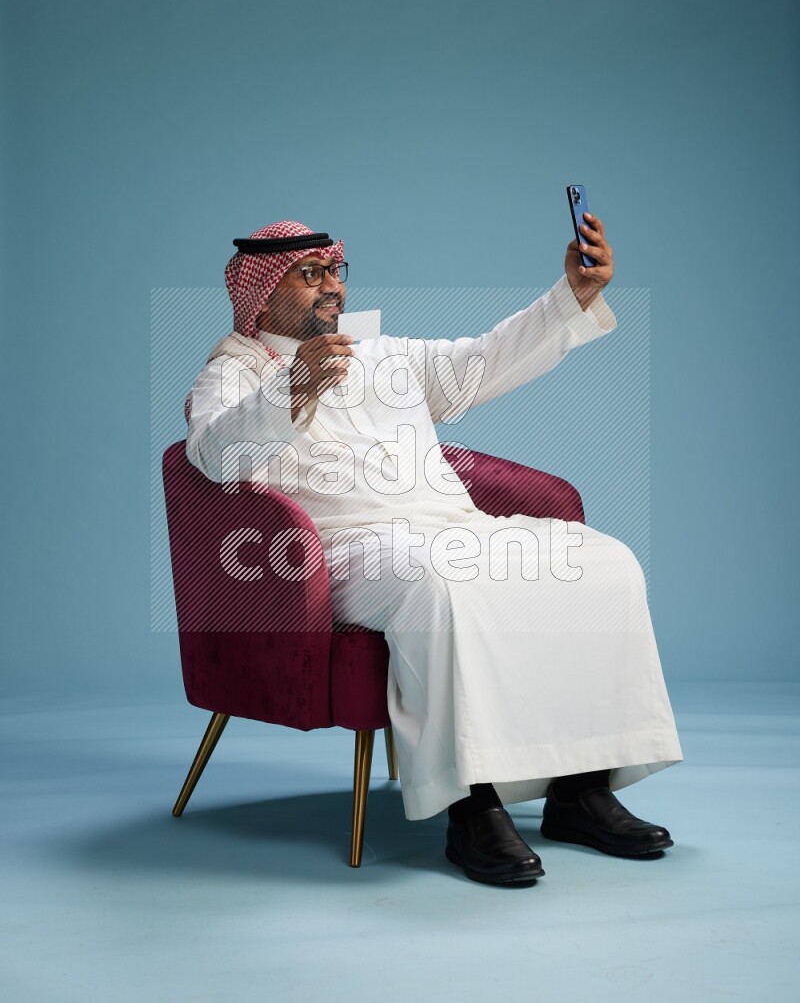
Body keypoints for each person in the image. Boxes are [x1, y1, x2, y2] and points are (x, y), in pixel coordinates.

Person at [183, 218, 684, 887]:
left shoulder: (382, 354)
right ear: (262, 293)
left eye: (337, 271)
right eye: (312, 275)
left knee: (602, 564)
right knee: (441, 585)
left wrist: (572, 295)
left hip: (450, 524)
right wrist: (293, 387)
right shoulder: (233, 372)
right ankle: (471, 808)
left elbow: (483, 360)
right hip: (341, 552)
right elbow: (212, 458)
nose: (333, 285)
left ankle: (581, 791)